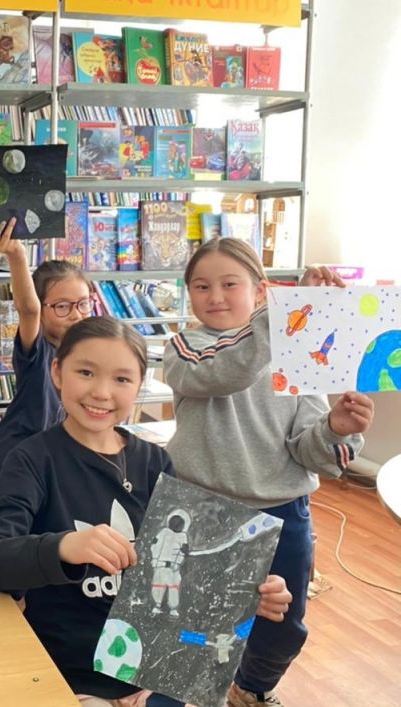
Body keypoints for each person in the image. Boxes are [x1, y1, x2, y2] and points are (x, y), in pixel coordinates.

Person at [0, 316, 293, 706]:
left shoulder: (155, 462)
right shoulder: (32, 459)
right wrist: (64, 547)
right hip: (70, 674)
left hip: (154, 672)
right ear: (57, 372)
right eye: (86, 372)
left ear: (140, 385)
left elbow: (182, 571)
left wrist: (243, 591)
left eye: (122, 379)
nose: (102, 392)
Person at [164, 239, 374, 707]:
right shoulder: (184, 347)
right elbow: (226, 371)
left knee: (282, 626)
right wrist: (285, 315)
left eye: (229, 284)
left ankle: (252, 689)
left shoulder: (296, 354)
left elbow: (310, 452)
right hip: (201, 509)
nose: (215, 296)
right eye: (201, 286)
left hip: (283, 512)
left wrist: (336, 429)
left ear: (259, 291)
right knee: (192, 624)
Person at [0, 218, 92, 509]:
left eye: (83, 303)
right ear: (42, 308)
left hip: (45, 475)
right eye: (62, 306)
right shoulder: (37, 352)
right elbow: (28, 310)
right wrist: (16, 254)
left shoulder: (86, 356)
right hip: (4, 476)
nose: (76, 314)